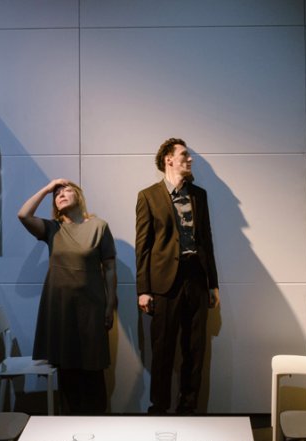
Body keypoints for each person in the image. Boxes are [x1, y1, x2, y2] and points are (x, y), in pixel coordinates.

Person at [135, 138, 220, 415]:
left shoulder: (199, 195)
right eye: (184, 155)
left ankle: (188, 409)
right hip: (163, 283)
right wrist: (143, 289)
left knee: (195, 349)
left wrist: (213, 284)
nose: (190, 159)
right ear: (168, 159)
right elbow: (143, 246)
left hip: (196, 279)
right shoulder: (148, 196)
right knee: (162, 349)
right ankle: (158, 409)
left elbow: (206, 241)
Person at [18, 179, 117, 415]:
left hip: (91, 309)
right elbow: (23, 215)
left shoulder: (99, 226)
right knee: (67, 371)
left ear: (79, 196)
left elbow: (110, 267)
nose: (60, 194)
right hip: (60, 309)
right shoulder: (53, 229)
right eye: (57, 194)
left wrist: (110, 303)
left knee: (93, 370)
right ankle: (70, 422)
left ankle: (97, 422)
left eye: (66, 190)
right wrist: (47, 188)